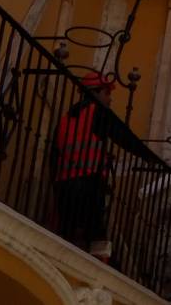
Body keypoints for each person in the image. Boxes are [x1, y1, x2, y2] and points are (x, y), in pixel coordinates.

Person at [52, 71, 116, 262]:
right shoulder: (98, 113)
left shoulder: (68, 116)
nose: (110, 99)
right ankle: (100, 268)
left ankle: (62, 262)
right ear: (95, 93)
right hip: (88, 180)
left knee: (67, 230)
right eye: (107, 93)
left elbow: (58, 150)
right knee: (96, 232)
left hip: (64, 181)